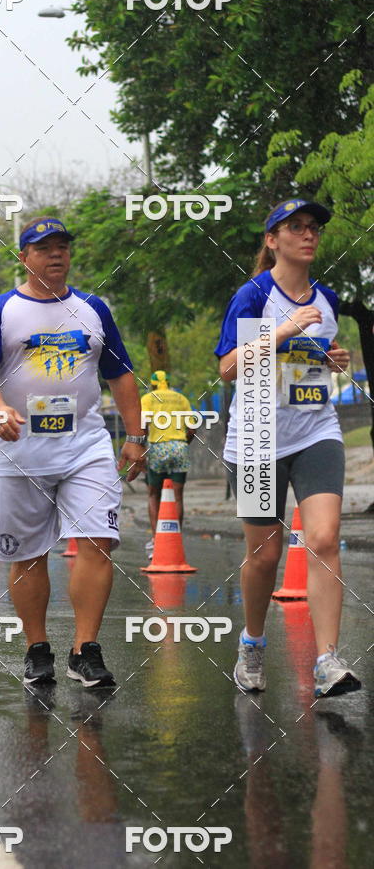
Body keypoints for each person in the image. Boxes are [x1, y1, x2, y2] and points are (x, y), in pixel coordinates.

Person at [0, 216, 145, 688]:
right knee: (27, 556)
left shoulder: (92, 309)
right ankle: (37, 648)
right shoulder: (1, 310)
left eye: (63, 246)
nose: (56, 254)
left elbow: (121, 374)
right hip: (20, 449)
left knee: (96, 542)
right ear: (23, 257)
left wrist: (135, 436)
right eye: (44, 247)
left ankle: (84, 650)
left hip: (85, 446)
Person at [215, 198, 362, 699]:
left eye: (314, 227)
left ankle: (326, 661)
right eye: (295, 227)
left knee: (323, 538)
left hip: (315, 430)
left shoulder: (329, 298)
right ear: (272, 240)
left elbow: (311, 363)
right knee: (264, 555)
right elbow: (229, 368)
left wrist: (331, 360)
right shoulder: (254, 295)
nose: (308, 234)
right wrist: (282, 330)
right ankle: (252, 643)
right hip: (256, 435)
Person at [140, 370, 195, 553]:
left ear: (153, 383)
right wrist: (182, 443)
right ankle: (175, 536)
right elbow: (192, 428)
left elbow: (142, 426)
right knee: (178, 496)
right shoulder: (181, 398)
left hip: (158, 447)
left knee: (153, 494)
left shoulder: (148, 399)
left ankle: (156, 538)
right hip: (179, 447)